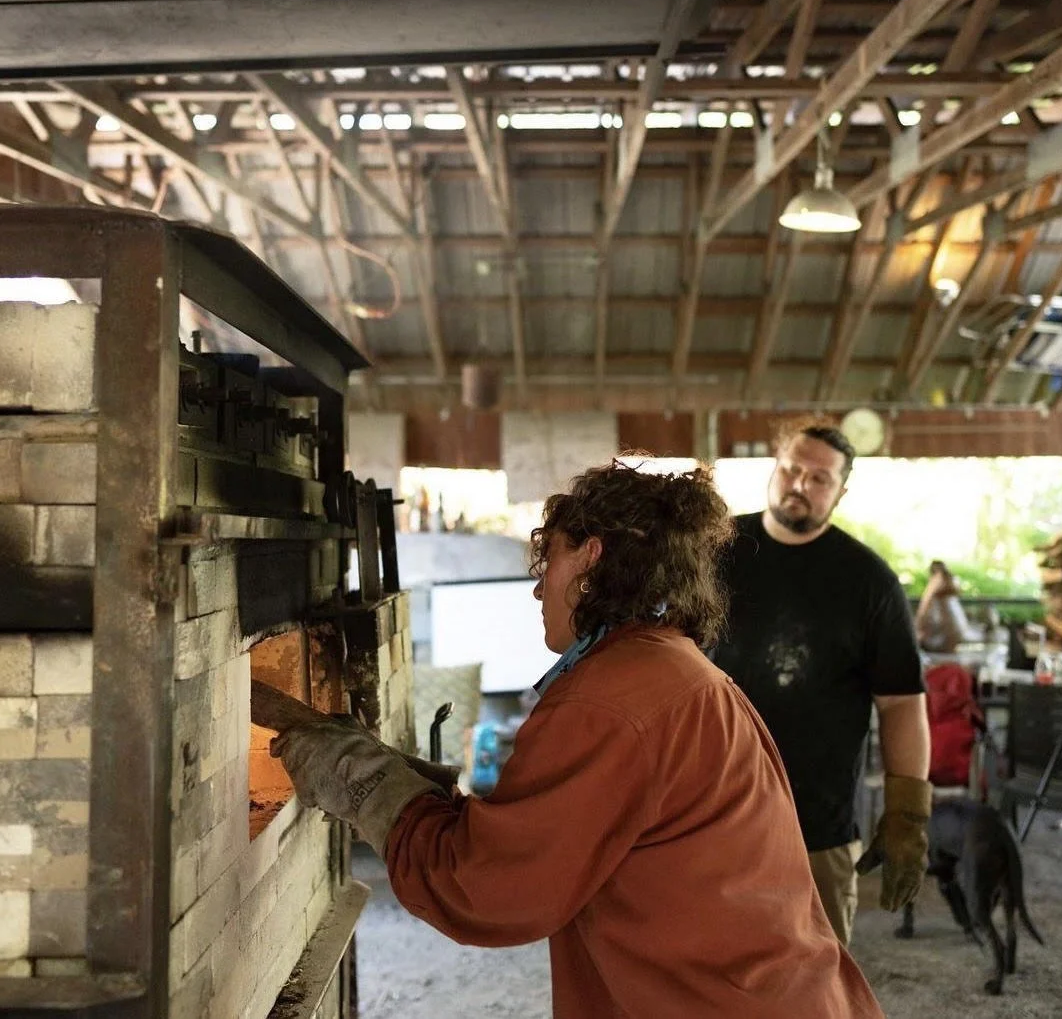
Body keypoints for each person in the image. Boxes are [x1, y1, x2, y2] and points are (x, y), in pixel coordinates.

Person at [271, 460, 885, 1018]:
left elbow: (488, 890)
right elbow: (560, 837)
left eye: (552, 562)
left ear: (592, 558)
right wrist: (425, 796)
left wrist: (370, 788)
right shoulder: (667, 667)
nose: (540, 588)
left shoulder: (608, 698)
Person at [711, 416, 931, 948]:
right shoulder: (710, 553)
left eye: (820, 479)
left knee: (816, 986)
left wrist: (907, 813)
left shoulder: (869, 581)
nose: (800, 486)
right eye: (792, 469)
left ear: (841, 492)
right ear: (775, 468)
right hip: (709, 817)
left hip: (818, 827)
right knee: (709, 981)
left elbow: (901, 702)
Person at [915, 560, 981, 653]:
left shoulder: (944, 580)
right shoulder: (938, 581)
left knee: (951, 635)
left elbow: (952, 591)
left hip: (947, 615)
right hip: (942, 616)